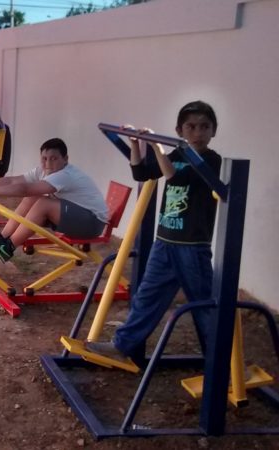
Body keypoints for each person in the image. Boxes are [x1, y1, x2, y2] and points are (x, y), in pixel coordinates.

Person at [85, 101, 222, 363]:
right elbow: (142, 173)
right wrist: (137, 145)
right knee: (146, 297)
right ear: (180, 130)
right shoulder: (177, 156)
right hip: (165, 243)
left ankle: (218, 363)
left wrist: (156, 147)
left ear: (214, 131)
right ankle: (122, 345)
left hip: (192, 247)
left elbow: (176, 178)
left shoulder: (211, 160)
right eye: (191, 127)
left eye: (205, 127)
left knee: (204, 306)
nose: (198, 133)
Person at [0, 137, 108, 263]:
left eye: (54, 158)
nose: (48, 163)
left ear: (65, 159)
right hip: (76, 217)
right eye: (44, 158)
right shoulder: (42, 170)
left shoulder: (65, 175)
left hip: (92, 223)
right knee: (34, 197)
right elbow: (12, 181)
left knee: (43, 203)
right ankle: (3, 238)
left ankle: (8, 247)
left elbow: (25, 189)